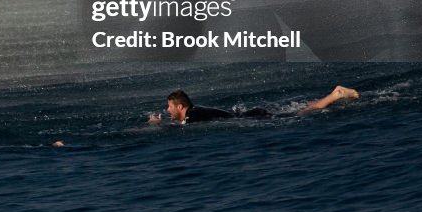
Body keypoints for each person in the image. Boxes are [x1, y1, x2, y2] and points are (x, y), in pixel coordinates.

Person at [148, 85, 360, 125]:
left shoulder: (192, 117)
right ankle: (333, 96)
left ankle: (336, 95)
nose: (167, 110)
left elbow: (182, 127)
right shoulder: (194, 112)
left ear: (180, 107)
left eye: (169, 107)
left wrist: (154, 126)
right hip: (250, 114)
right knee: (299, 110)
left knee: (301, 113)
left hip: (252, 117)